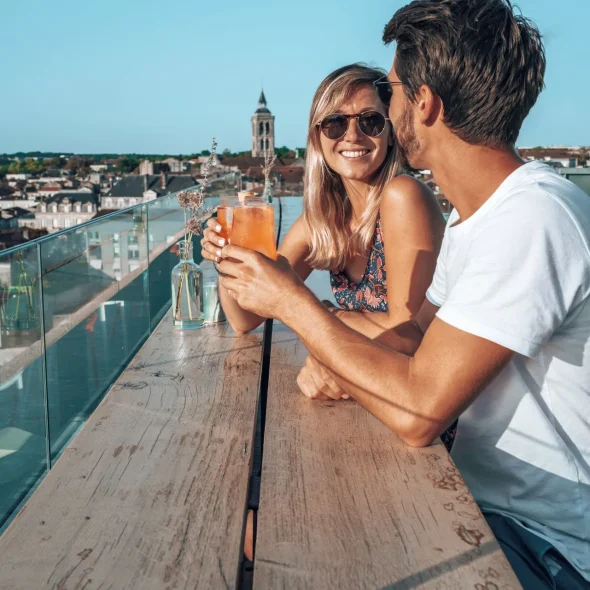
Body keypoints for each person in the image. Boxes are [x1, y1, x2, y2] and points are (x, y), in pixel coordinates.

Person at [217, 1, 590, 588]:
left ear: (424, 104)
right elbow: (418, 344)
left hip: (543, 545)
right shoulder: (480, 220)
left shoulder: (533, 217)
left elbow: (419, 410)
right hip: (482, 502)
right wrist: (338, 354)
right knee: (274, 537)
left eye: (386, 95)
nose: (378, 115)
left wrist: (296, 305)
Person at [202, 64, 444, 340]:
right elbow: (245, 319)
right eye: (335, 123)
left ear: (390, 133)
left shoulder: (404, 195)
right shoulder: (325, 219)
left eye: (370, 121)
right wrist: (227, 255)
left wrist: (323, 314)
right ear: (317, 137)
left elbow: (409, 337)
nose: (352, 135)